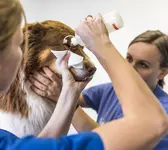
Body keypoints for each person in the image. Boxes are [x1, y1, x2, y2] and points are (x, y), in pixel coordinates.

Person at [0, 0, 168, 150]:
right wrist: (101, 45)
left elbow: (42, 144)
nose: (23, 54)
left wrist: (69, 94)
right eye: (19, 44)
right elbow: (152, 123)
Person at [30, 30, 168, 149]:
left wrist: (65, 98)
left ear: (162, 72)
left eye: (143, 65)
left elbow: (113, 145)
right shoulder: (110, 90)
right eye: (128, 58)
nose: (130, 68)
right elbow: (77, 96)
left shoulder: (163, 111)